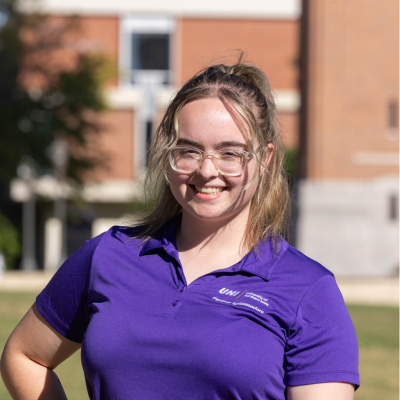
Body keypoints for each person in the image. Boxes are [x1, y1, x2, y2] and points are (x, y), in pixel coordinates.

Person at [0, 59, 359, 400]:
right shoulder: (108, 256)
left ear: (264, 159)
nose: (206, 170)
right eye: (188, 150)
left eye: (230, 153)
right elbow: (24, 356)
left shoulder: (308, 291)